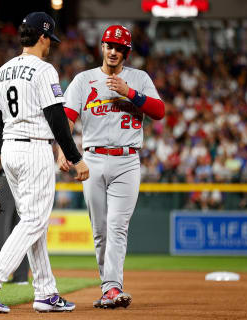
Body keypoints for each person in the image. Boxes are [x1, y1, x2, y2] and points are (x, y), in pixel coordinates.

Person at [0, 12, 89, 314]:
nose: (51, 45)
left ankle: (46, 292)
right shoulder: (44, 69)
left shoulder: (1, 72)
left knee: (31, 222)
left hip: (9, 151)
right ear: (43, 37)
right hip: (35, 149)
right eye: (51, 40)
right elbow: (57, 119)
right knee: (35, 220)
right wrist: (75, 157)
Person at [58, 25, 165, 309]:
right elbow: (68, 117)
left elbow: (159, 111)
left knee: (117, 226)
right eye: (109, 45)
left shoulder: (138, 79)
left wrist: (129, 92)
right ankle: (109, 287)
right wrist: (64, 150)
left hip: (127, 160)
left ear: (126, 53)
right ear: (102, 47)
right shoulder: (84, 80)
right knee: (100, 230)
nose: (114, 51)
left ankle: (111, 288)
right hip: (92, 158)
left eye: (120, 48)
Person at [0, 156, 29, 285]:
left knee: (0, 232)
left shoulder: (4, 136)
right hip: (26, 184)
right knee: (21, 233)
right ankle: (21, 277)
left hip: (6, 181)